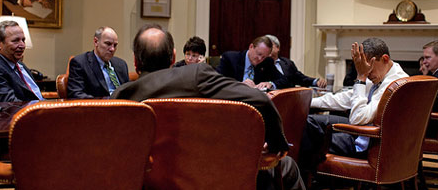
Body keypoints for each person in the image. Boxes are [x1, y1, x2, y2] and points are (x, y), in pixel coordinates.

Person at [111, 24, 305, 190]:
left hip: (149, 183)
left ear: (135, 60)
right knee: (287, 166)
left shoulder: (121, 97)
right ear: (173, 57)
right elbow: (260, 100)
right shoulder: (195, 75)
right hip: (215, 176)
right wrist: (277, 145)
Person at [299, 38, 408, 170]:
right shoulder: (381, 75)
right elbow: (346, 98)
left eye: (369, 69)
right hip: (364, 130)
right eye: (363, 69)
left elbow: (357, 118)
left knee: (309, 139)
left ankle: (302, 180)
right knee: (309, 122)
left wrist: (361, 78)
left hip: (370, 143)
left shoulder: (395, 84)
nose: (367, 75)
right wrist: (307, 102)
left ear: (385, 59)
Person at [67, 26, 129, 99]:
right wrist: (106, 102)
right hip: (99, 108)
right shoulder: (80, 63)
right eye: (108, 44)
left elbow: (128, 92)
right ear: (96, 42)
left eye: (115, 45)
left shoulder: (121, 64)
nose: (112, 49)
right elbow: (76, 94)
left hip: (124, 107)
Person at [216, 36, 290, 90]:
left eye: (264, 56)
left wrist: (270, 84)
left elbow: (285, 81)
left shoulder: (267, 62)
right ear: (251, 47)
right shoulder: (230, 58)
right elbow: (217, 81)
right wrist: (239, 85)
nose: (260, 59)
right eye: (259, 54)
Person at [0, 20, 43, 102]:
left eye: (23, 40)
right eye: (15, 41)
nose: (22, 45)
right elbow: (9, 103)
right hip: (24, 112)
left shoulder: (19, 64)